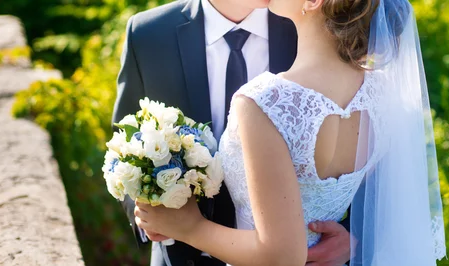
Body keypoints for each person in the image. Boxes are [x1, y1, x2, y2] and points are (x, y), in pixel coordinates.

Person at [134, 0, 447, 265]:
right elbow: (389, 200)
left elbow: (282, 255)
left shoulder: (264, 101)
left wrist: (190, 227)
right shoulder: (385, 94)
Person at [112, 0, 353, 265]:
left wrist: (353, 238)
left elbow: (356, 126)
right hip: (180, 255)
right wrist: (145, 211)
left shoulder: (305, 20)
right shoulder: (149, 33)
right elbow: (125, 139)